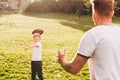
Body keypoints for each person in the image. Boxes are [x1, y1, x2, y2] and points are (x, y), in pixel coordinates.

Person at [57, 0, 120, 80]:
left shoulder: (92, 35)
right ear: (112, 12)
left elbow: (74, 68)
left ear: (94, 12)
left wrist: (62, 61)